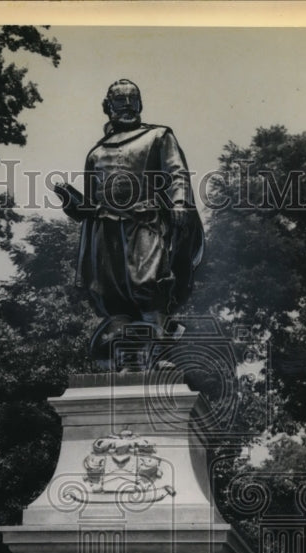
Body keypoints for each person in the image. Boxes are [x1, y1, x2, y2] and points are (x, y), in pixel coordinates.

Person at [55, 80, 204, 364]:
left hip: (144, 222)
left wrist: (181, 202)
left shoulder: (159, 136)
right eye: (119, 100)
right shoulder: (96, 154)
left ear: (140, 104)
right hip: (105, 230)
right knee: (111, 295)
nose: (126, 105)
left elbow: (177, 173)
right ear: (107, 107)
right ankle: (127, 357)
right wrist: (70, 201)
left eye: (132, 99)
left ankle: (160, 348)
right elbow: (88, 207)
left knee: (149, 284)